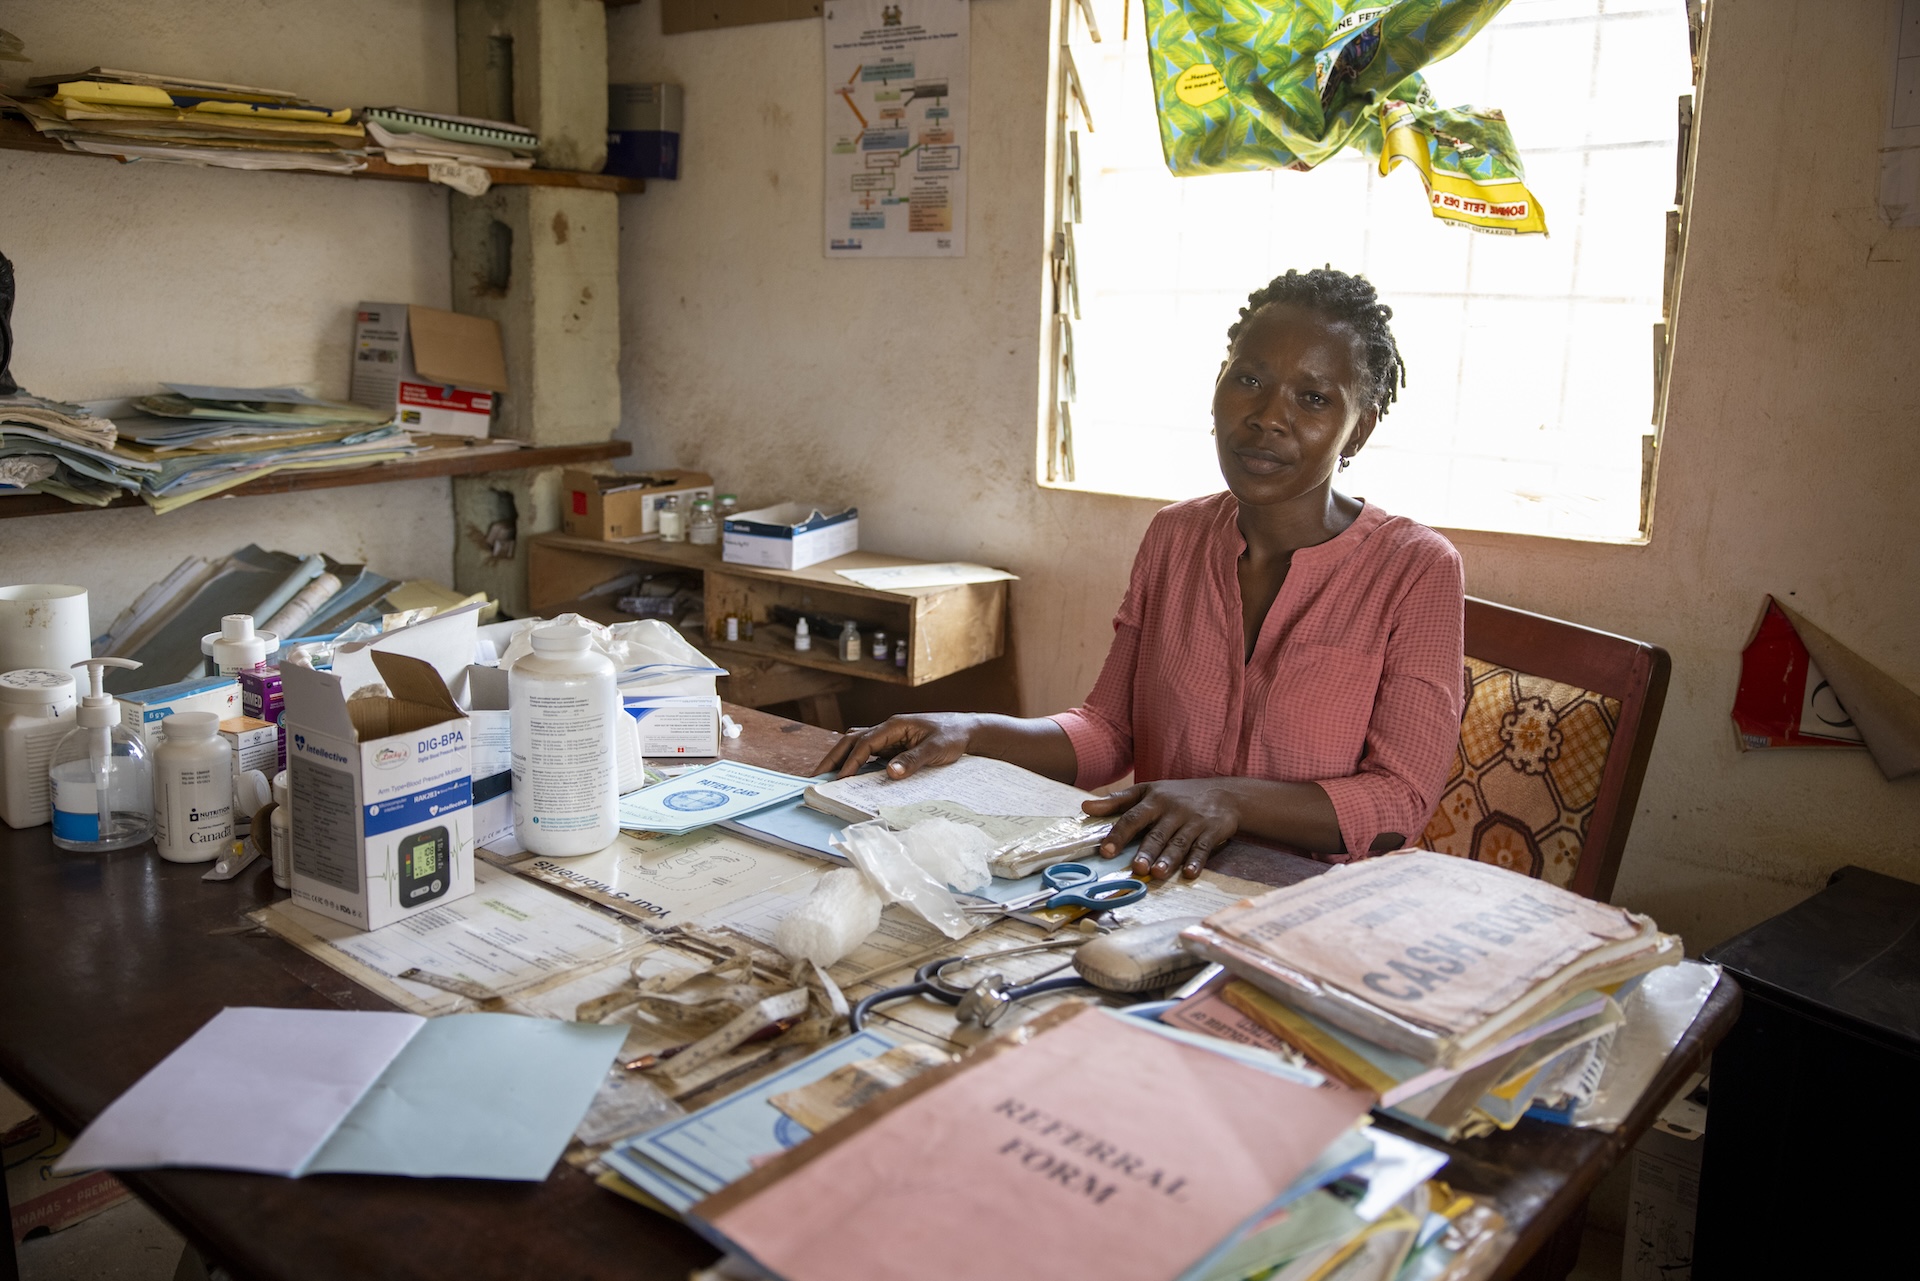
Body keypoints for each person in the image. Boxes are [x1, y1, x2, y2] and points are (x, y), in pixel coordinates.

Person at [815, 267, 1465, 882]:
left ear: (1359, 431)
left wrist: (1227, 799)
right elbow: (1109, 731)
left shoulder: (1415, 568)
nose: (1268, 415)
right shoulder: (1175, 537)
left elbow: (1399, 800)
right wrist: (970, 730)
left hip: (1306, 909)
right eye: (1249, 381)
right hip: (1145, 880)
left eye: (1314, 397)